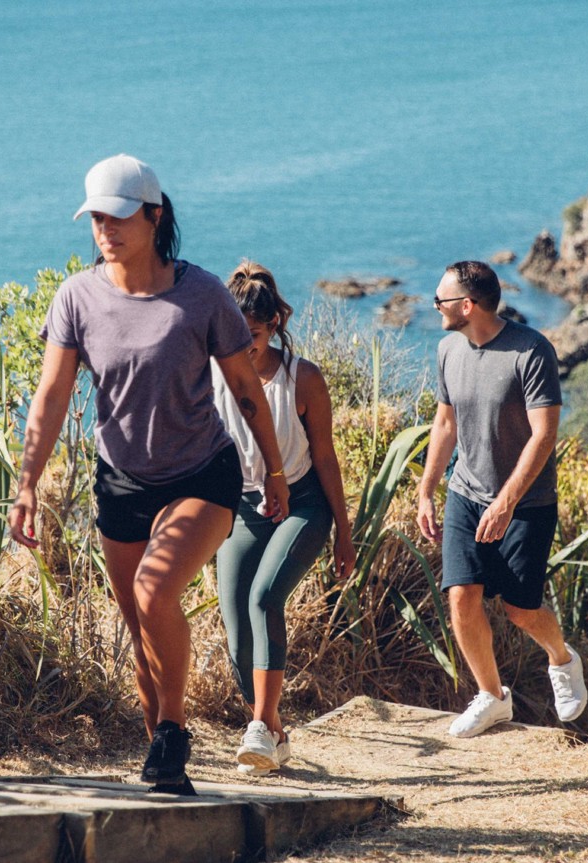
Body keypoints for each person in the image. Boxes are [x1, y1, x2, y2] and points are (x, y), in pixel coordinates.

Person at [9, 155, 290, 789]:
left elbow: (245, 386)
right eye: (95, 217)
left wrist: (273, 469)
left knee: (154, 592)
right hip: (121, 481)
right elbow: (51, 397)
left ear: (154, 215)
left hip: (202, 473)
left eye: (118, 215)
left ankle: (172, 728)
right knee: (140, 626)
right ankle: (164, 769)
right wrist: (27, 484)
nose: (104, 228)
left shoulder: (201, 294)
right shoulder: (77, 296)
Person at [414, 260, 587, 738]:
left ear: (467, 306)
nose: (435, 308)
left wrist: (507, 501)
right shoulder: (449, 348)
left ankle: (562, 658)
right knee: (461, 597)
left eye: (440, 300)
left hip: (527, 503)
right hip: (466, 492)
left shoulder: (531, 352)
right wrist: (427, 489)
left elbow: (543, 436)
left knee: (520, 609)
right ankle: (492, 697)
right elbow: (445, 424)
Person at [209, 262, 356, 776]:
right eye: (234, 335)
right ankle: (274, 733)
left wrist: (344, 532)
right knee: (235, 631)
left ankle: (259, 726)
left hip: (303, 503)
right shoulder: (213, 373)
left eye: (251, 335)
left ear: (274, 324)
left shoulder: (303, 378)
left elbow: (326, 457)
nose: (242, 345)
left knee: (264, 597)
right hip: (244, 508)